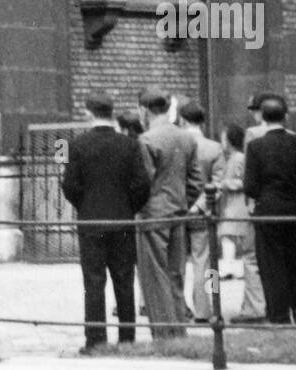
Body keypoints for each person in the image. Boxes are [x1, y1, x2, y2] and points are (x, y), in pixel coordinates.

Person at [60, 93, 152, 352]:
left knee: (93, 282)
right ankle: (127, 338)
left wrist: (85, 206)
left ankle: (95, 339)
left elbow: (69, 185)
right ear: (112, 112)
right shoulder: (129, 144)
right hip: (122, 222)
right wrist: (128, 208)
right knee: (125, 281)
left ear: (89, 113)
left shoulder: (77, 145)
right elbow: (142, 185)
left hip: (91, 223)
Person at [243, 95, 296, 325]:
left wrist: (265, 199)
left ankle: (278, 317)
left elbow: (249, 186)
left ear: (263, 118)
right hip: (294, 212)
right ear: (285, 117)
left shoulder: (256, 146)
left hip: (268, 213)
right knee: (293, 264)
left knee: (271, 266)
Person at [135, 89, 202, 340]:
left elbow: (142, 184)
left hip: (152, 215)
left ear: (144, 110)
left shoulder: (146, 140)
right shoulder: (186, 138)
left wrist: (140, 208)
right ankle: (179, 332)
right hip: (178, 213)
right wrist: (183, 203)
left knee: (154, 276)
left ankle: (163, 334)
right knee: (176, 275)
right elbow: (196, 181)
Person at [177, 101, 226, 323]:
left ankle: (179, 307)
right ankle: (207, 309)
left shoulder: (176, 144)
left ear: (182, 120)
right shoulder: (214, 148)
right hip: (203, 213)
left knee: (176, 264)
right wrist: (199, 206)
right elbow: (218, 184)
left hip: (177, 209)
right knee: (206, 265)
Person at [231, 93, 272, 323]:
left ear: (258, 112)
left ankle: (254, 308)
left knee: (251, 258)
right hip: (282, 206)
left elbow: (249, 173)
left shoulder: (253, 134)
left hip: (255, 205)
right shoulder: (293, 136)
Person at [218, 123, 248, 280]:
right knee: (230, 235)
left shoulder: (237, 159)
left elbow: (241, 181)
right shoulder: (235, 158)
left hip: (236, 202)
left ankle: (228, 268)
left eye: (224, 139)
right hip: (233, 202)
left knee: (229, 235)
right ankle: (233, 267)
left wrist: (223, 184)